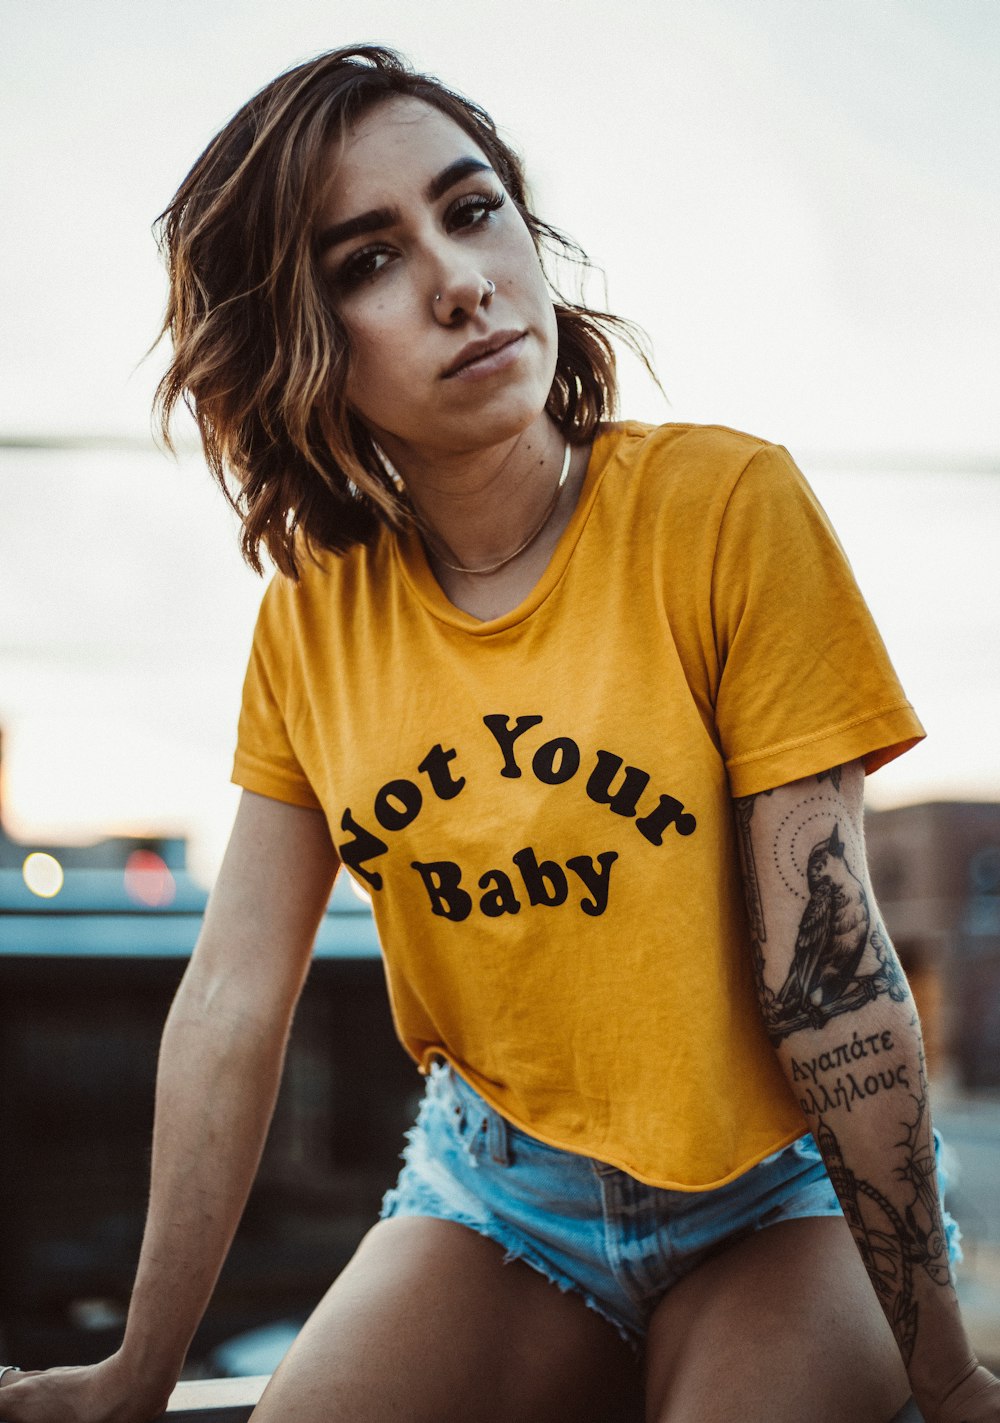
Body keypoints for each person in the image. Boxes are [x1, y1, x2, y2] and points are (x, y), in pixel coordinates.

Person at [1, 44, 997, 1423]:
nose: (460, 279)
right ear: (300, 344)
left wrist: (945, 1374)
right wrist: (140, 1373)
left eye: (472, 211)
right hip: (500, 1193)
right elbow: (232, 1004)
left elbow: (827, 973)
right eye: (368, 260)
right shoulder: (311, 621)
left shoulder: (722, 509)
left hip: (782, 1191)